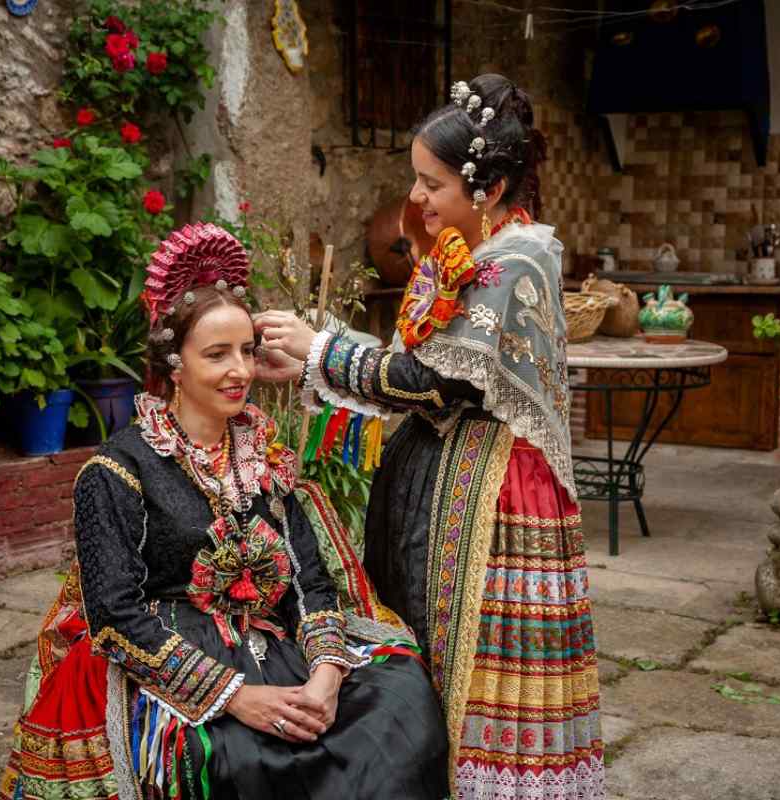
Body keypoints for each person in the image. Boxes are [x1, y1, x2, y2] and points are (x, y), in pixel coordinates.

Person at [0, 223, 448, 800]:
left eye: (247, 351)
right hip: (171, 657)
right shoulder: (116, 472)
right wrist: (237, 697)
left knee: (401, 698)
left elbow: (309, 581)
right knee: (237, 760)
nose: (240, 370)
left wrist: (327, 678)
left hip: (275, 643)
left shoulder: (266, 457)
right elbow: (114, 616)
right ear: (174, 365)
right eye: (216, 354)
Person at [255, 74, 604, 799]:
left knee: (482, 671)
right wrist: (317, 353)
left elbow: (431, 382)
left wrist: (321, 347)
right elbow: (412, 363)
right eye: (416, 178)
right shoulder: (463, 252)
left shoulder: (518, 263)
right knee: (427, 654)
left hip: (495, 500)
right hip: (440, 475)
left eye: (432, 183)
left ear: (492, 186)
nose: (416, 198)